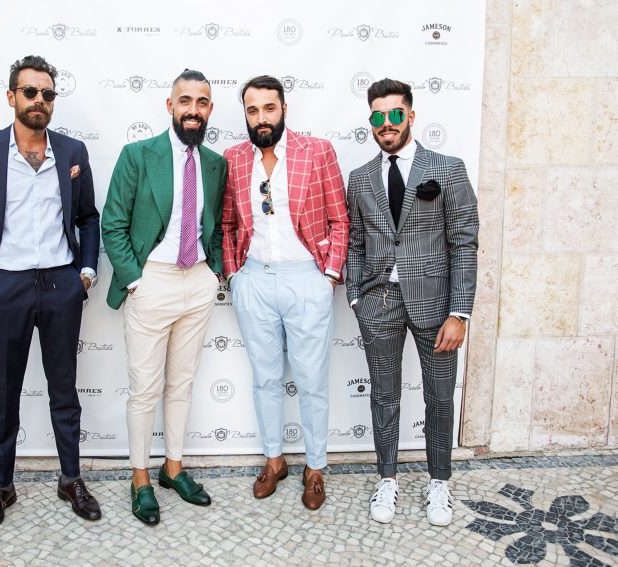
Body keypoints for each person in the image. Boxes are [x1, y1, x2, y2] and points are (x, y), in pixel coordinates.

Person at [0, 55, 101, 535]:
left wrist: (86, 272)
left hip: (59, 286)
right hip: (4, 286)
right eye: (30, 91)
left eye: (47, 93)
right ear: (11, 96)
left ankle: (71, 479)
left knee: (63, 389)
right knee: (5, 392)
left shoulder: (72, 152)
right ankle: (2, 486)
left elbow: (88, 217)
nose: (39, 100)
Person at [345, 78, 478, 527]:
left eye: (395, 114)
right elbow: (356, 242)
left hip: (436, 307)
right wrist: (356, 296)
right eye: (377, 116)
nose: (387, 123)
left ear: (411, 116)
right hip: (378, 304)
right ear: (371, 122)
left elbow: (464, 243)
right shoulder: (360, 178)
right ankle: (387, 478)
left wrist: (459, 312)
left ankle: (439, 482)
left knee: (440, 398)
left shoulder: (448, 168)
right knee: (384, 397)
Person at [102, 69, 227, 526]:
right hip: (151, 281)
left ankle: (173, 469)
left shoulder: (215, 163)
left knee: (182, 383)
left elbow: (215, 224)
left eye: (202, 102)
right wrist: (135, 281)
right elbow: (113, 223)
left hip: (197, 282)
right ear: (170, 106)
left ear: (209, 110)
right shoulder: (138, 155)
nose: (193, 110)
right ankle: (140, 478)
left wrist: (214, 271)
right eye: (185, 101)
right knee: (144, 389)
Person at [221, 75, 348, 510]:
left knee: (312, 381)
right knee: (265, 378)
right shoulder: (235, 158)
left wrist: (328, 276)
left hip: (307, 278)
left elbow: (340, 219)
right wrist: (235, 276)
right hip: (254, 280)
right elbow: (227, 224)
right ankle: (274, 460)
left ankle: (315, 467)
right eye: (253, 110)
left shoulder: (317, 151)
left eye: (269, 108)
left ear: (284, 109)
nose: (261, 118)